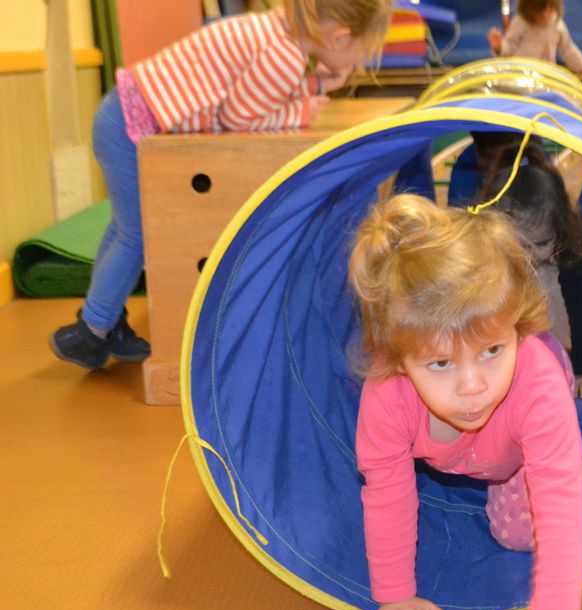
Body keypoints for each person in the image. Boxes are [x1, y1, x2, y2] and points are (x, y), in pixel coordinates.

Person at [48, 0, 391, 371]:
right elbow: (238, 117)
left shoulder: (275, 29)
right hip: (131, 130)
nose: (358, 64)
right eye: (361, 55)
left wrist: (313, 84)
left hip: (118, 115)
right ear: (339, 38)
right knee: (138, 234)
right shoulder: (285, 56)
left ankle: (104, 320)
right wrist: (302, 110)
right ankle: (92, 329)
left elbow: (258, 93)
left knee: (124, 228)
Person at [348, 194, 582, 610]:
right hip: (472, 449)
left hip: (519, 442)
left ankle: (524, 456)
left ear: (514, 331)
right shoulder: (387, 395)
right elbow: (387, 493)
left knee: (519, 532)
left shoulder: (534, 384)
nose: (472, 384)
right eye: (440, 363)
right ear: (400, 360)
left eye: (491, 351)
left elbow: (560, 502)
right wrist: (394, 596)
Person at [482, 144, 582, 399]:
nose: (528, 255)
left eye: (540, 244)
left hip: (558, 328)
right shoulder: (489, 252)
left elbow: (581, 309)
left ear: (560, 230)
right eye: (518, 245)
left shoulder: (568, 252)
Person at [487, 0, 582, 81]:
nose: (547, 13)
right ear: (530, 9)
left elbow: (568, 49)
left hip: (546, 77)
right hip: (521, 77)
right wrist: (499, 47)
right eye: (542, 9)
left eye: (551, 8)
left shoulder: (556, 24)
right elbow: (509, 46)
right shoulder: (521, 23)